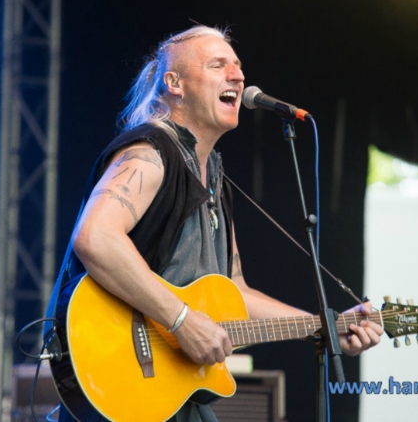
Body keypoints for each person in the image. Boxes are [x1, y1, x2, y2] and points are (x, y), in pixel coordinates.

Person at [56, 25, 383, 422]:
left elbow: (236, 294)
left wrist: (326, 325)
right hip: (123, 377)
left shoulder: (214, 176)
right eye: (218, 65)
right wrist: (180, 320)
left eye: (239, 66)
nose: (238, 75)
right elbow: (95, 236)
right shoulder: (151, 152)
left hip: (174, 394)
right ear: (174, 83)